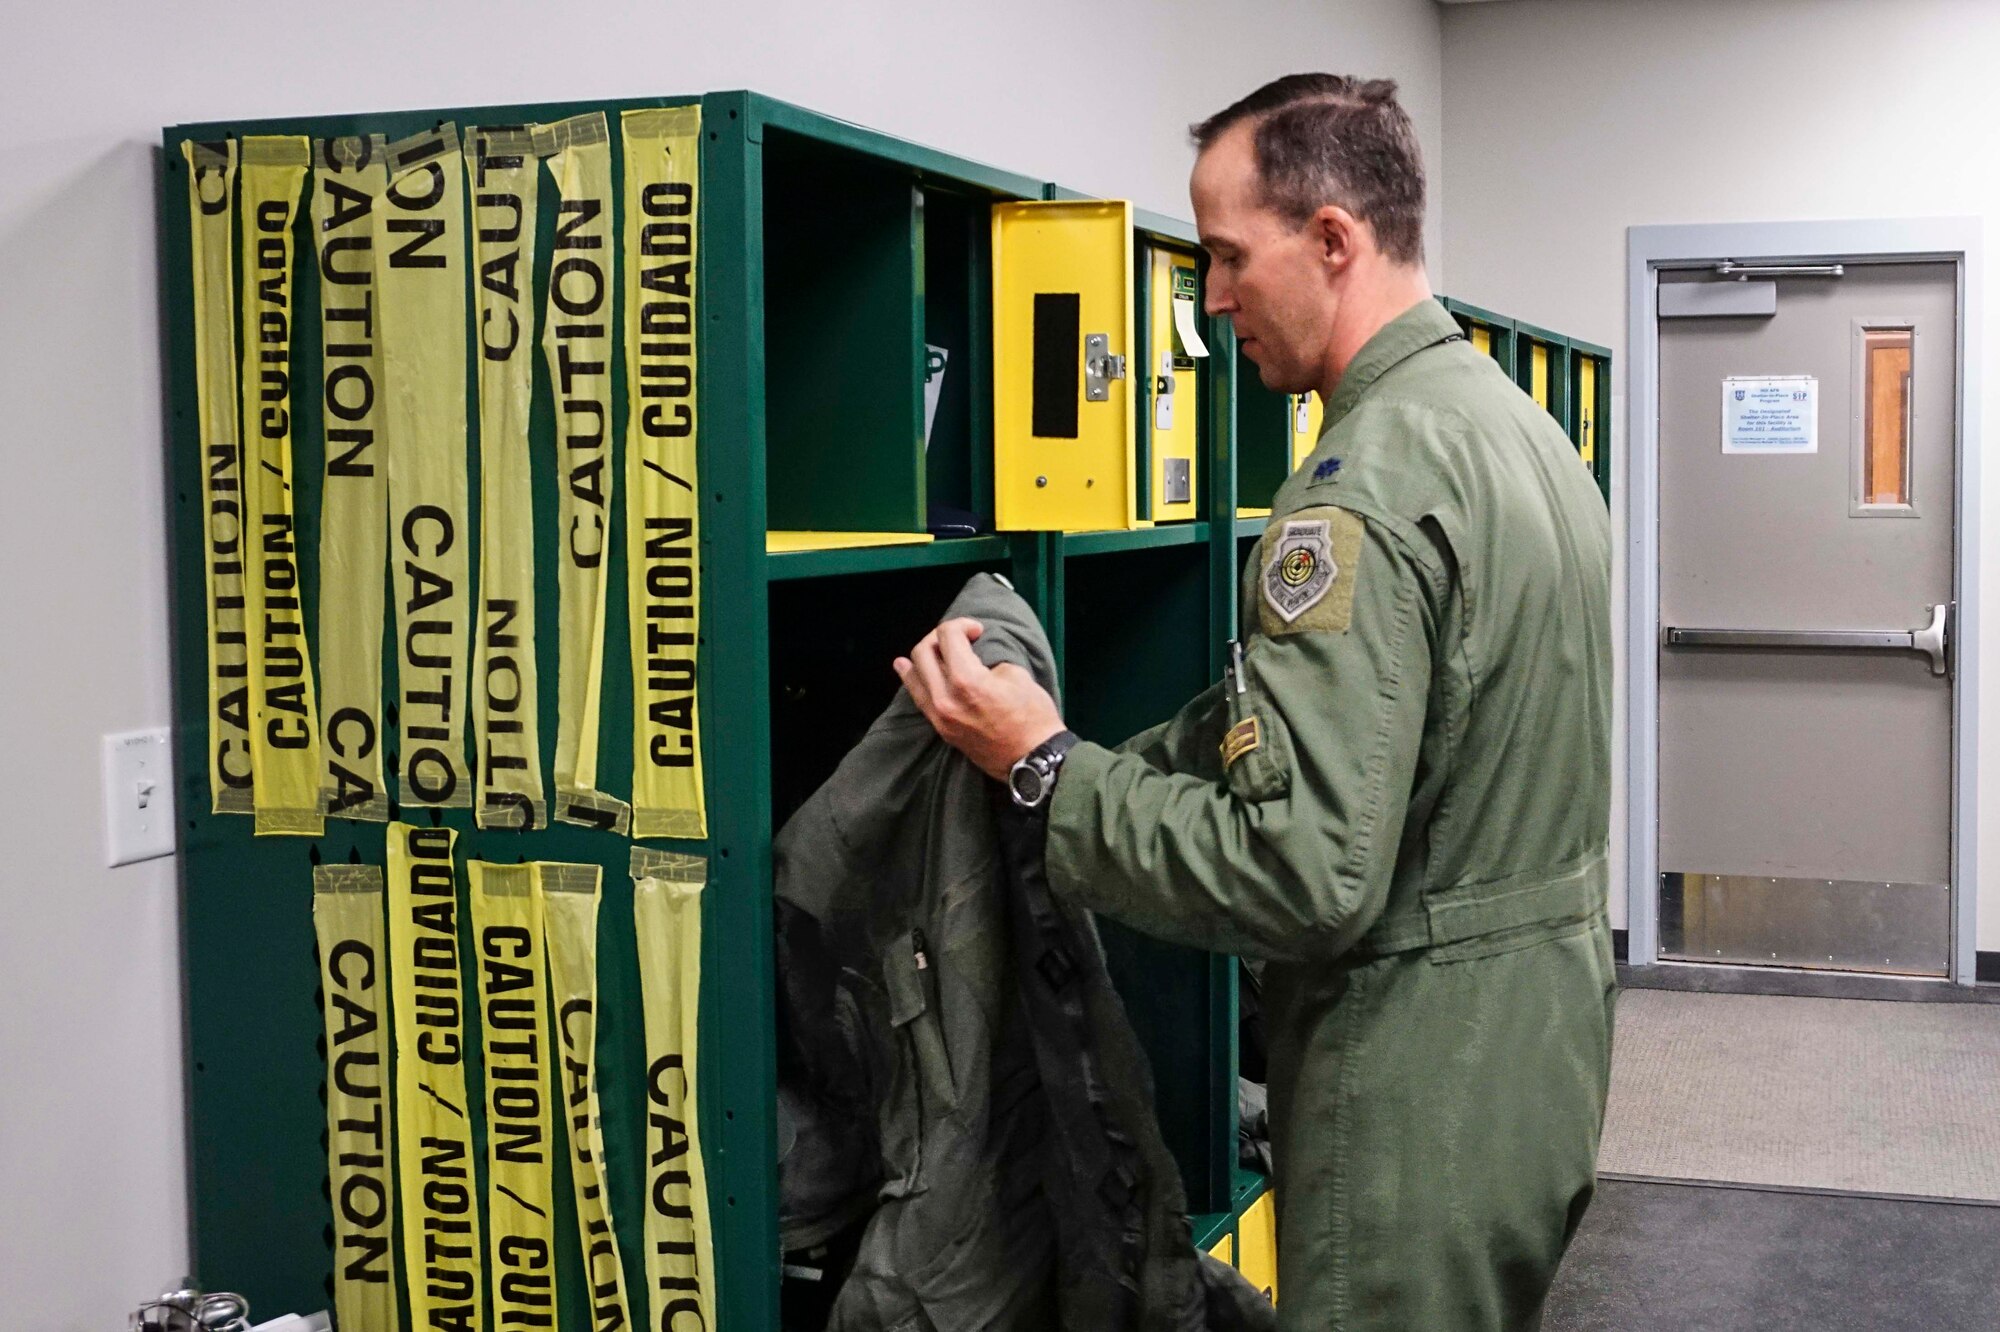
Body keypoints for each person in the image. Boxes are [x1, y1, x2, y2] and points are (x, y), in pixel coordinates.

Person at [895, 73, 1614, 1331]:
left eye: (1229, 255)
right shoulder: (1516, 432)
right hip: (1534, 1056)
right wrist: (1110, 761)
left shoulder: (1354, 495)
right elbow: (1304, 732)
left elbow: (1302, 876)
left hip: (1413, 1091)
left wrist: (1046, 768)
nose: (1211, 296)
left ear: (1331, 239)